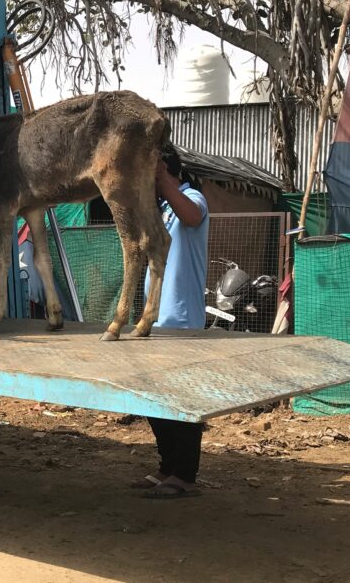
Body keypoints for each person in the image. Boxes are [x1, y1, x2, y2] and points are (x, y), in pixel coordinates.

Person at [136, 146, 209, 499]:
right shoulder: (162, 209)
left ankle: (185, 475)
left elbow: (193, 218)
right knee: (154, 400)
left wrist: (164, 181)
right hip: (157, 320)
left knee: (181, 402)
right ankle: (167, 467)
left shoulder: (190, 197)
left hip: (181, 320)